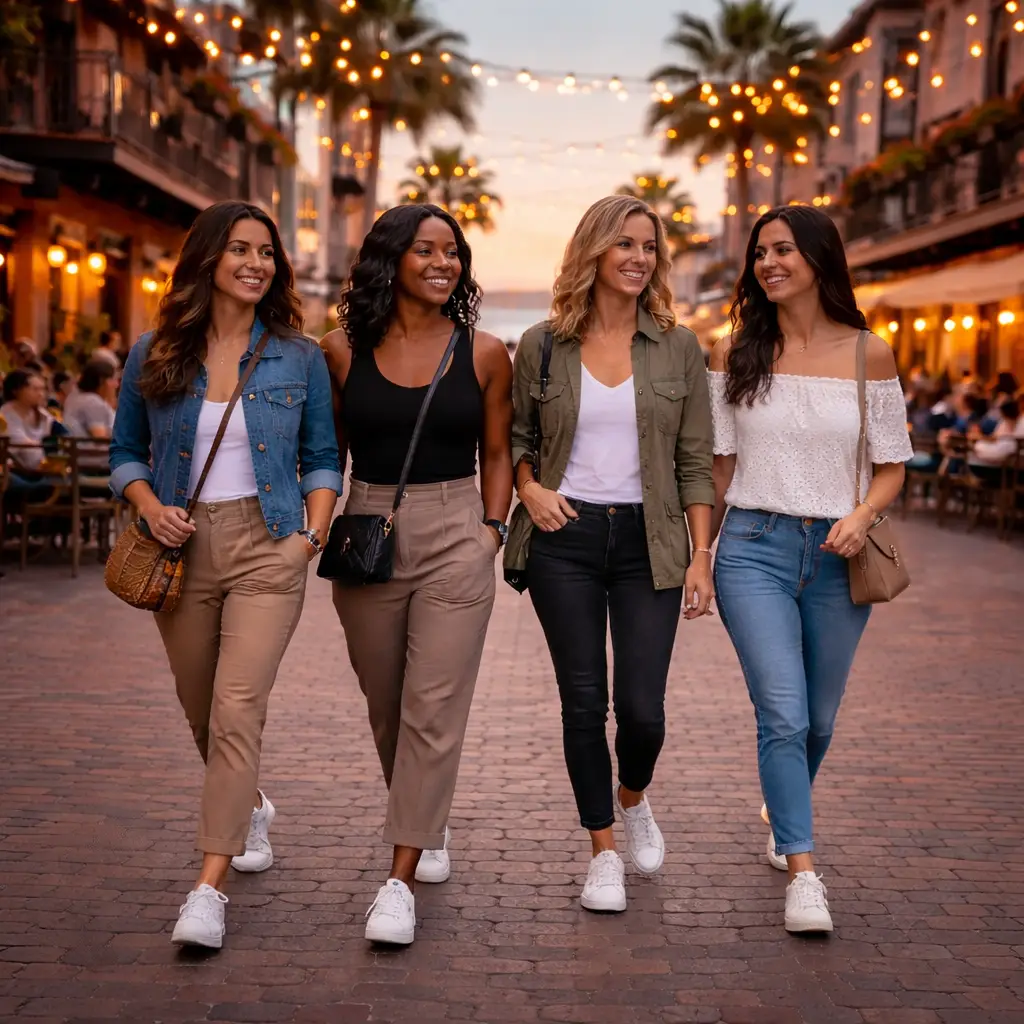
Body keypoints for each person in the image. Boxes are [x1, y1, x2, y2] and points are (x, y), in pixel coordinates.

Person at [110, 200, 342, 951]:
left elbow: (322, 456)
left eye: (266, 252)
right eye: (240, 249)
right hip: (180, 546)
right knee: (200, 706)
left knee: (238, 707)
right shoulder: (153, 352)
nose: (256, 263)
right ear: (208, 258)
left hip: (268, 542)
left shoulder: (298, 356)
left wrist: (310, 536)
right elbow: (125, 452)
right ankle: (251, 807)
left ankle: (208, 888)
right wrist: (147, 506)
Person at [504, 195, 715, 914]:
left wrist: (699, 555)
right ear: (593, 251)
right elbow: (518, 440)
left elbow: (694, 460)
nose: (637, 258)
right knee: (584, 703)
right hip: (564, 537)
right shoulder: (540, 344)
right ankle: (602, 852)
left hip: (649, 542)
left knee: (643, 711)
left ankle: (634, 798)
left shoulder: (678, 345)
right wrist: (528, 489)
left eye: (648, 247)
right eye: (623, 244)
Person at [708, 205, 912, 934]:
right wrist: (702, 554)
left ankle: (781, 806)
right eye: (761, 253)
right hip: (752, 550)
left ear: (821, 259)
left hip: (838, 554)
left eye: (784, 250)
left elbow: (892, 467)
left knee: (818, 719)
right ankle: (802, 869)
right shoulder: (737, 355)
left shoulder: (870, 353)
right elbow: (718, 467)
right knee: (784, 713)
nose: (768, 263)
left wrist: (861, 516)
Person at [321, 204, 512, 947]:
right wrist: (315, 525)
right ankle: (426, 817)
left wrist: (489, 533)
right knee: (388, 704)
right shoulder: (339, 350)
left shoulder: (487, 352)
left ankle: (398, 877)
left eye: (454, 252)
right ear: (389, 260)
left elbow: (497, 453)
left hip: (456, 529)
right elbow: (325, 452)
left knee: (434, 706)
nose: (444, 263)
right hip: (367, 529)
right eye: (426, 250)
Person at [63, 360, 118, 439]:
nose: (116, 384)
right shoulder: (92, 402)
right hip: (93, 450)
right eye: (113, 379)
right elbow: (100, 438)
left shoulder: (74, 397)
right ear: (101, 380)